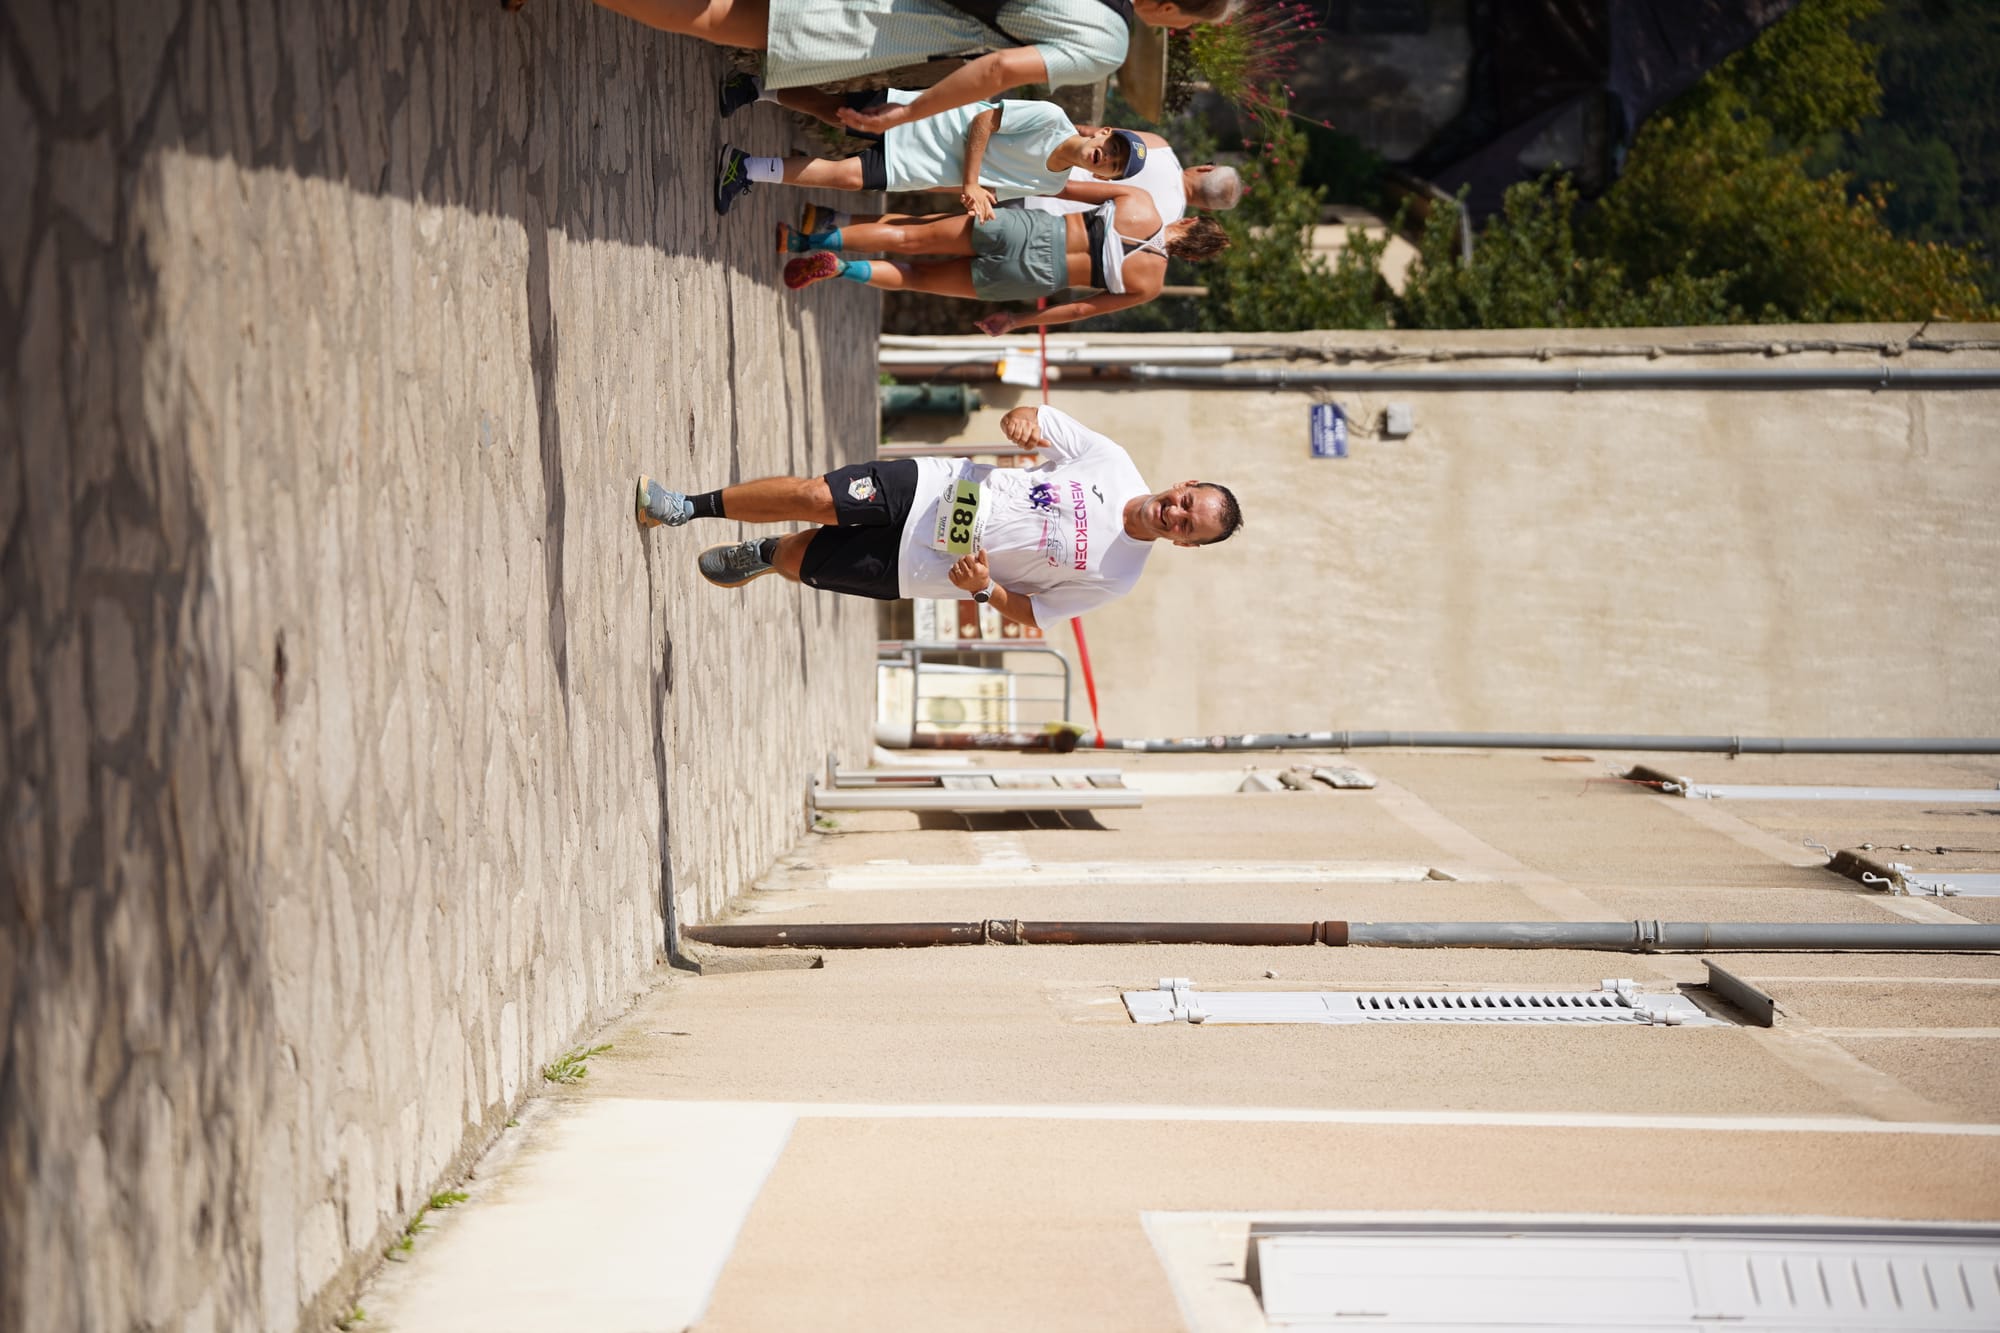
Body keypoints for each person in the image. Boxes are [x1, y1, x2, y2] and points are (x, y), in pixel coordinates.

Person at [633, 404, 1243, 629]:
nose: (1176, 515)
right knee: (815, 496)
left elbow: (1034, 613)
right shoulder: (1113, 461)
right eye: (1187, 503)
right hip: (940, 488)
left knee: (799, 558)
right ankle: (686, 507)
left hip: (925, 566)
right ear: (1183, 484)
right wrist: (1021, 422)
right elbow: (1034, 417)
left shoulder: (1119, 576)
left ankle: (767, 556)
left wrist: (984, 592)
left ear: (1185, 546)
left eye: (1189, 526)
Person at [557, 0, 1234, 132]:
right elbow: (998, 71)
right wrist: (910, 109)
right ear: (1172, 13)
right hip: (889, 13)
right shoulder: (1106, 41)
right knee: (716, 15)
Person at [777, 185, 1230, 334]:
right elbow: (1079, 309)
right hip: (1033, 276)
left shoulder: (1140, 202)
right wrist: (1014, 322)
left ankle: (804, 242)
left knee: (909, 234)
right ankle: (841, 270)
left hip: (1033, 227)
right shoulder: (1149, 284)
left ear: (1188, 222)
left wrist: (995, 179)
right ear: (1188, 258)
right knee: (915, 275)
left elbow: (1062, 187)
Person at [715, 90, 1147, 217]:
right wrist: (972, 183)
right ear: (1103, 133)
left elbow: (984, 187)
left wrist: (961, 192)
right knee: (832, 111)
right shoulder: (1051, 117)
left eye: (1113, 165)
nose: (1105, 156)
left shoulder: (1053, 184)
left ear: (1106, 179)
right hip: (919, 119)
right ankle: (756, 88)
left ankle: (744, 167)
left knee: (843, 177)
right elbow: (985, 122)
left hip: (918, 167)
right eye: (1112, 147)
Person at [1015, 127, 1244, 223]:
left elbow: (1089, 133)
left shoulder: (1158, 146)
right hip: (1040, 221)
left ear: (1206, 168)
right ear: (1207, 208)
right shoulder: (1167, 223)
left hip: (1035, 168)